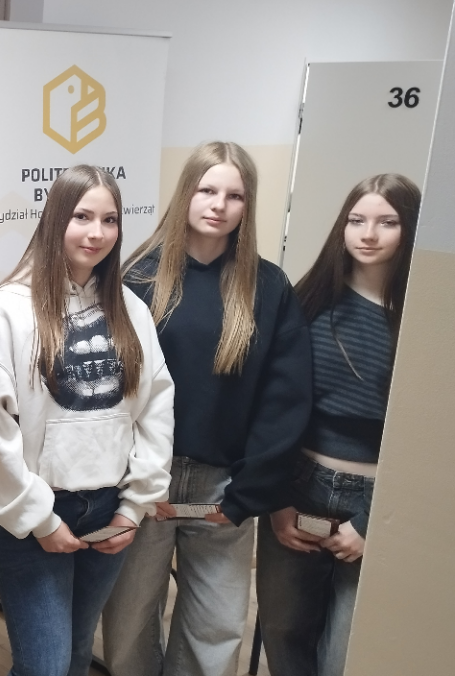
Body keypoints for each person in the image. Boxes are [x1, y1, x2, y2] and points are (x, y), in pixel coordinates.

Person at [0, 165, 175, 676]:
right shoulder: (7, 311)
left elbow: (156, 410)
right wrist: (40, 519)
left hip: (109, 510)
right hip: (35, 516)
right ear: (55, 220)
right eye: (82, 217)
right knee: (44, 666)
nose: (97, 233)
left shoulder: (130, 310)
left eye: (110, 220)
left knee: (74, 655)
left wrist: (134, 507)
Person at [101, 142, 312, 676]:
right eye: (207, 190)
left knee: (216, 628)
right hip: (145, 480)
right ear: (186, 194)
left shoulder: (269, 287)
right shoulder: (138, 279)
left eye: (234, 195)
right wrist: (133, 484)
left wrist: (247, 493)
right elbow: (112, 392)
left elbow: (284, 400)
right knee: (128, 622)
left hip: (223, 487)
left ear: (248, 205)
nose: (219, 205)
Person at [255, 174, 420, 676]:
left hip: (378, 498)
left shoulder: (424, 319)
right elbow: (273, 410)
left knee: (344, 653)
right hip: (299, 486)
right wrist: (277, 502)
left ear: (409, 228)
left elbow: (424, 439)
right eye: (356, 220)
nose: (368, 234)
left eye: (387, 222)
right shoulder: (306, 302)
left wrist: (369, 523)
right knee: (283, 632)